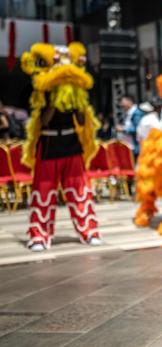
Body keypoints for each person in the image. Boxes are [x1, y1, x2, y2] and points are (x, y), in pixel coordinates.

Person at [20, 41, 102, 251]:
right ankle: (39, 235)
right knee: (43, 192)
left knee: (80, 190)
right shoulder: (43, 90)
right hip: (49, 144)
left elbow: (82, 121)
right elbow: (44, 120)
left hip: (71, 143)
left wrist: (80, 103)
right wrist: (56, 100)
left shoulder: (75, 90)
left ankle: (89, 231)